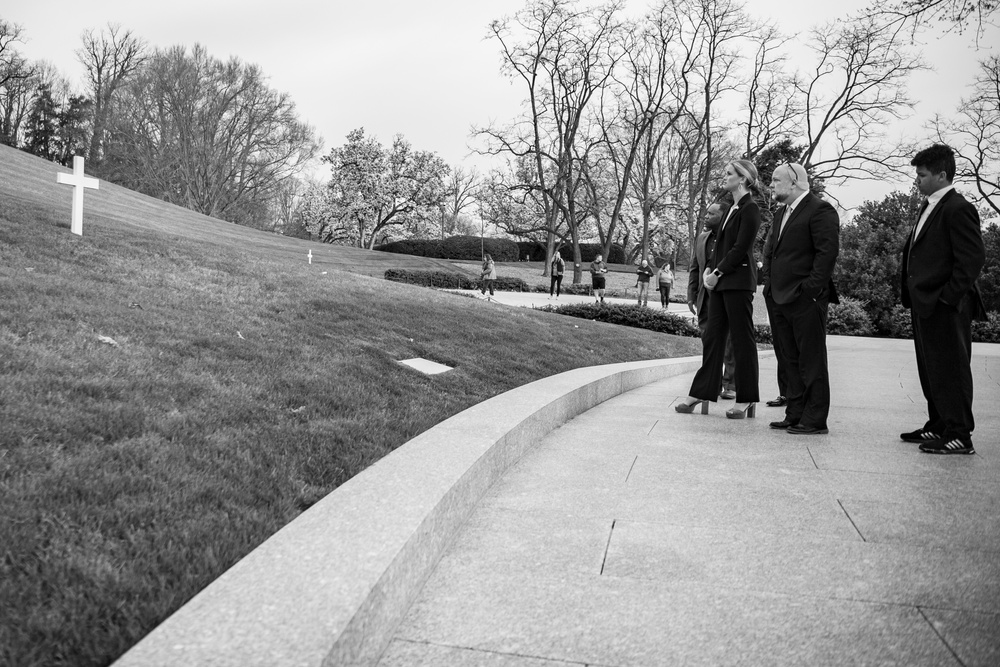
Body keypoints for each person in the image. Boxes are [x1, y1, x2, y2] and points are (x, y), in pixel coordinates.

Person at [900, 144, 987, 454]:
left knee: (951, 369)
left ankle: (960, 434)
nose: (917, 180)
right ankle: (938, 425)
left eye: (921, 175)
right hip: (925, 303)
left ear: (941, 174)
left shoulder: (958, 207)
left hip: (945, 305)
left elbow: (972, 259)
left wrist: (947, 298)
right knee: (932, 369)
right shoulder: (929, 205)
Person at [675, 159, 761, 419]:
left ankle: (746, 398)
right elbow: (721, 247)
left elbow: (740, 248)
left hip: (738, 284)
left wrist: (717, 272)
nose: (724, 177)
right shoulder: (732, 208)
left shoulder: (750, 209)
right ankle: (702, 390)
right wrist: (708, 271)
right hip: (721, 284)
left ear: (743, 179)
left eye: (729, 173)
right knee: (712, 337)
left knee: (742, 341)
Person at [762, 163, 840, 436]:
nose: (770, 185)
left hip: (806, 299)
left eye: (775, 180)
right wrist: (769, 287)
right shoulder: (781, 212)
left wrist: (810, 290)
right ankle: (794, 413)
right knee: (788, 359)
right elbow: (771, 252)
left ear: (794, 182)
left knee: (811, 360)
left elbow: (826, 255)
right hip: (778, 298)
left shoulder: (821, 210)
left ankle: (815, 418)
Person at [687, 201, 737, 400]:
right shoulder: (701, 239)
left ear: (723, 216)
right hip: (704, 298)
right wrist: (691, 295)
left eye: (711, 214)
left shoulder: (733, 238)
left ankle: (730, 383)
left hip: (726, 296)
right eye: (706, 213)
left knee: (730, 341)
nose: (706, 217)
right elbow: (694, 268)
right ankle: (712, 383)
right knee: (708, 340)